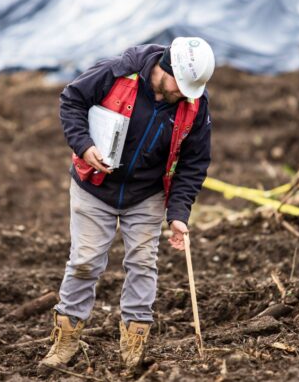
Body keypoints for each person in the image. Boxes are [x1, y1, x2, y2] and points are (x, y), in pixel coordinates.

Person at [40, 37, 215, 372]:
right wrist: (84, 145)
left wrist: (178, 213)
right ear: (166, 68)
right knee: (85, 262)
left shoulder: (195, 102)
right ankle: (65, 343)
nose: (186, 93)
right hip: (94, 186)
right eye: (182, 84)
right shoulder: (118, 72)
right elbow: (71, 100)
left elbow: (195, 161)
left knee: (142, 264)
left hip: (146, 194)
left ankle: (133, 350)